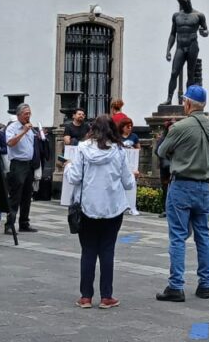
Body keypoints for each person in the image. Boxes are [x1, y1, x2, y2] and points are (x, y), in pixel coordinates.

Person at [64, 115, 136, 309]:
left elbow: (74, 177)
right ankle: (106, 296)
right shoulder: (119, 151)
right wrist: (131, 175)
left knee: (88, 251)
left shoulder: (82, 149)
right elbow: (128, 182)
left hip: (87, 206)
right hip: (112, 208)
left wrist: (68, 167)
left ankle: (85, 297)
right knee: (107, 251)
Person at [155, 84, 209, 302]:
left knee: (178, 236)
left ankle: (176, 285)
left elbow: (161, 151)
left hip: (182, 185)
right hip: (204, 186)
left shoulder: (180, 127)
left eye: (184, 101)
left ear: (188, 103)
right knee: (203, 235)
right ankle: (205, 284)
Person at [4, 103, 41, 235]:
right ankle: (9, 224)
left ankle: (24, 223)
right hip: (18, 164)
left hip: (29, 164)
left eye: (29, 113)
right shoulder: (13, 128)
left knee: (27, 195)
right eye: (26, 114)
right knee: (15, 195)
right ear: (19, 115)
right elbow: (10, 143)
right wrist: (23, 131)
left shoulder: (30, 128)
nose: (28, 116)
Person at [155, 119, 175, 219]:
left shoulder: (177, 138)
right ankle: (165, 208)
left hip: (175, 167)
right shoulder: (163, 138)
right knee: (166, 188)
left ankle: (172, 208)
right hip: (165, 167)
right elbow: (157, 151)